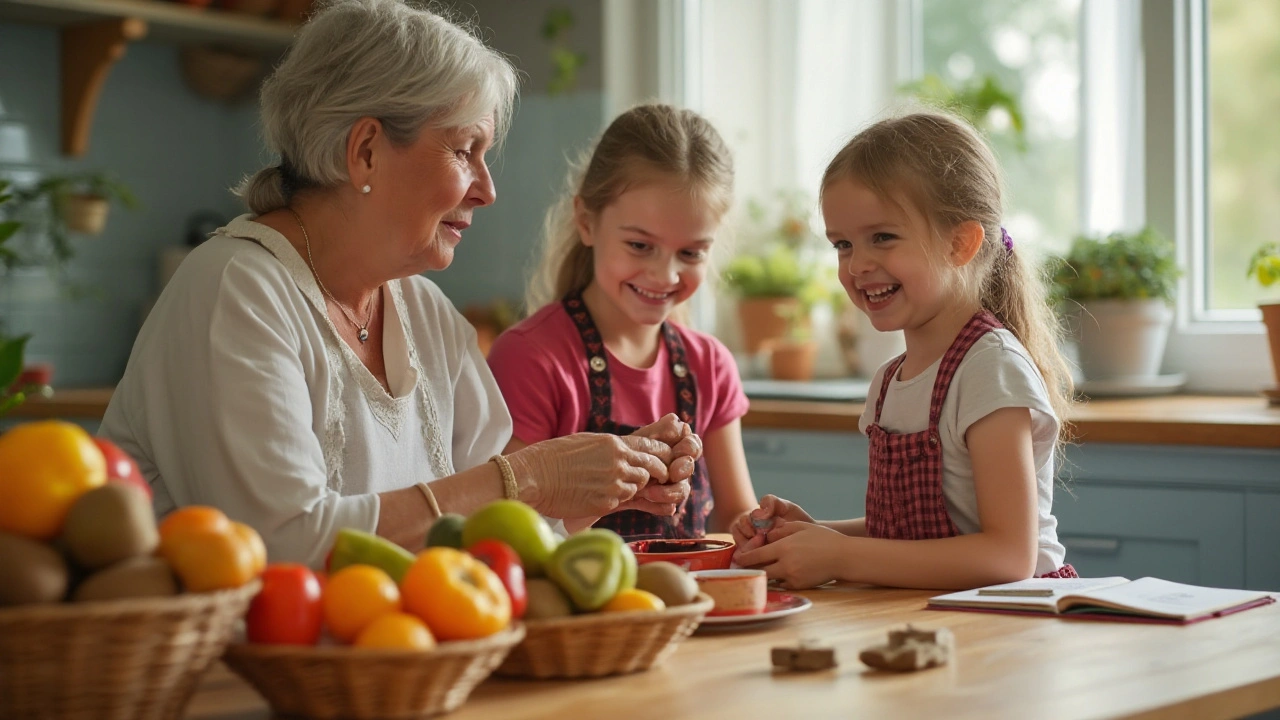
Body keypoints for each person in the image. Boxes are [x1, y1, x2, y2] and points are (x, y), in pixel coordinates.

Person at [100, 0, 700, 568]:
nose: (487, 190)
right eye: (466, 150)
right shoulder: (234, 291)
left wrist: (594, 486)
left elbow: (499, 532)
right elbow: (280, 546)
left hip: (395, 668)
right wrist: (537, 477)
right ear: (364, 151)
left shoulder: (423, 310)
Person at [733, 110, 1077, 590]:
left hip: (1013, 622)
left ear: (960, 243)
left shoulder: (990, 368)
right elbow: (908, 538)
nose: (857, 264)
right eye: (843, 244)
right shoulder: (891, 380)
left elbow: (1008, 557)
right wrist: (810, 535)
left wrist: (841, 556)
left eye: (883, 238)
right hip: (938, 617)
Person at [486, 104, 758, 538]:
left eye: (690, 253)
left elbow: (734, 517)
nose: (664, 275)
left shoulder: (711, 365)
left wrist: (771, 530)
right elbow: (511, 528)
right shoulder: (530, 358)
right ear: (586, 222)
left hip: (688, 606)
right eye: (639, 245)